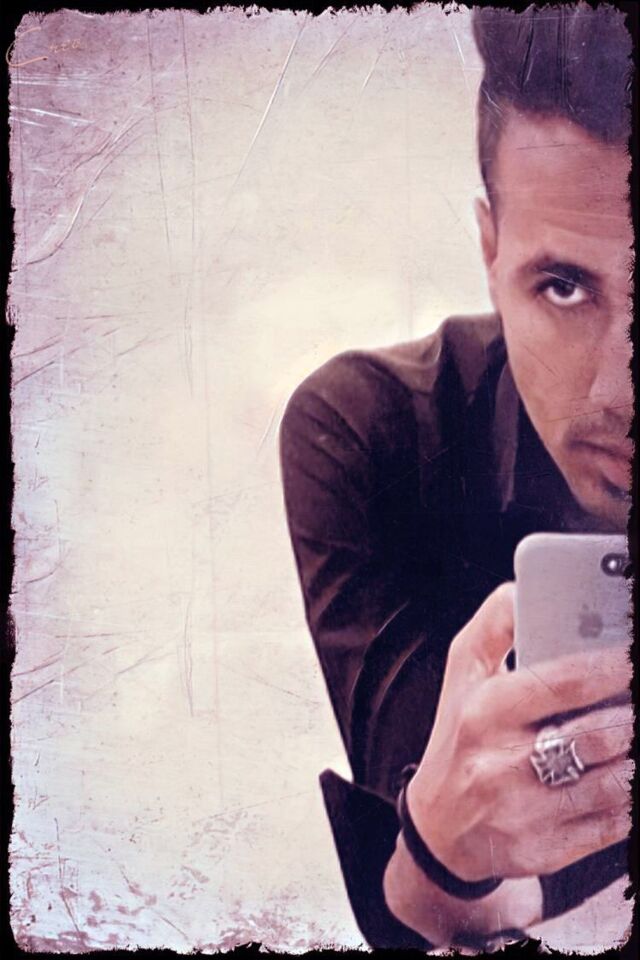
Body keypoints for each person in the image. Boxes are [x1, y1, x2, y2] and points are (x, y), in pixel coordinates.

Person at [279, 4, 633, 951]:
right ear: (489, 252)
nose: (621, 392)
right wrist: (444, 851)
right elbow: (450, 898)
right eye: (565, 287)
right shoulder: (372, 437)